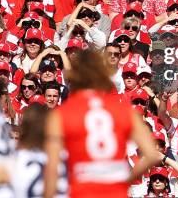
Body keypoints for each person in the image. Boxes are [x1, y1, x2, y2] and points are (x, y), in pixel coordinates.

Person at [43, 50, 160, 198]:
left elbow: (52, 168)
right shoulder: (123, 110)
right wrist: (124, 181)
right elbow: (151, 154)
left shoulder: (61, 114)